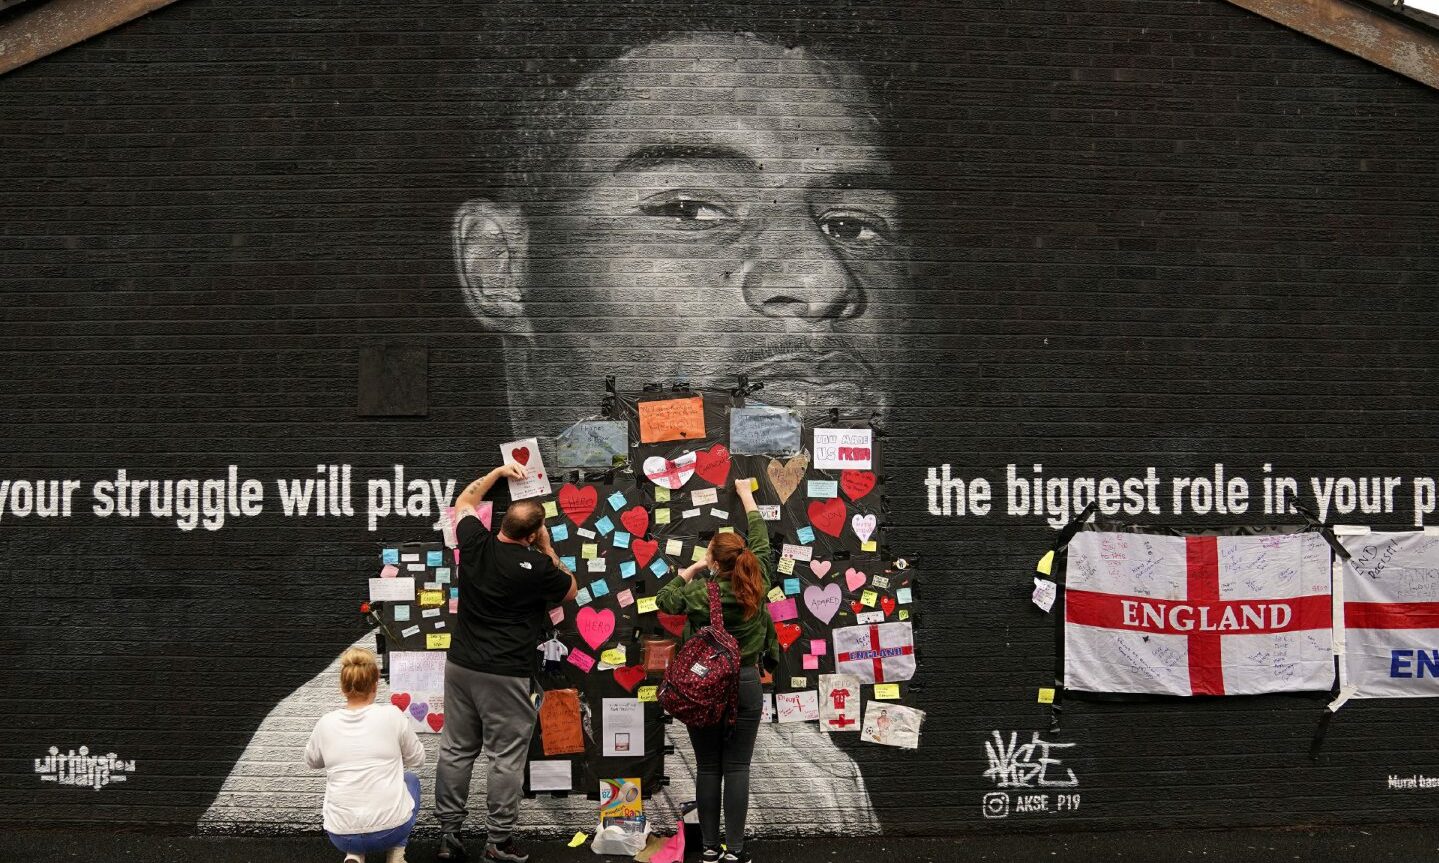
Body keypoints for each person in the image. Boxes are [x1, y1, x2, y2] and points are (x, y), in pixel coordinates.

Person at [435, 461, 579, 862]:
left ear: (503, 523)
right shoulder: (538, 568)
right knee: (504, 759)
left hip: (461, 666)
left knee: (456, 750)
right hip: (507, 673)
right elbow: (571, 591)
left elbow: (464, 501)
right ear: (532, 534)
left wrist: (498, 473)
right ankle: (497, 842)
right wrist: (547, 549)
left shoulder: (475, 542)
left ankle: (449, 835)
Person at [656, 478, 774, 863]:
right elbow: (760, 540)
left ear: (714, 560)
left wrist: (691, 569)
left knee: (709, 767)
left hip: (704, 686)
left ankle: (708, 848)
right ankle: (736, 850)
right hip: (745, 683)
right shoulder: (758, 581)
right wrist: (746, 495)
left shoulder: (698, 593)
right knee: (737, 766)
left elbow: (665, 600)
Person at [303, 647, 426, 863]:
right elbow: (418, 759)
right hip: (391, 831)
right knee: (410, 780)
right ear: (375, 685)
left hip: (341, 836)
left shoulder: (326, 723)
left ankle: (354, 855)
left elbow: (312, 762)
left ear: (343, 688)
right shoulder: (392, 716)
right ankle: (397, 854)